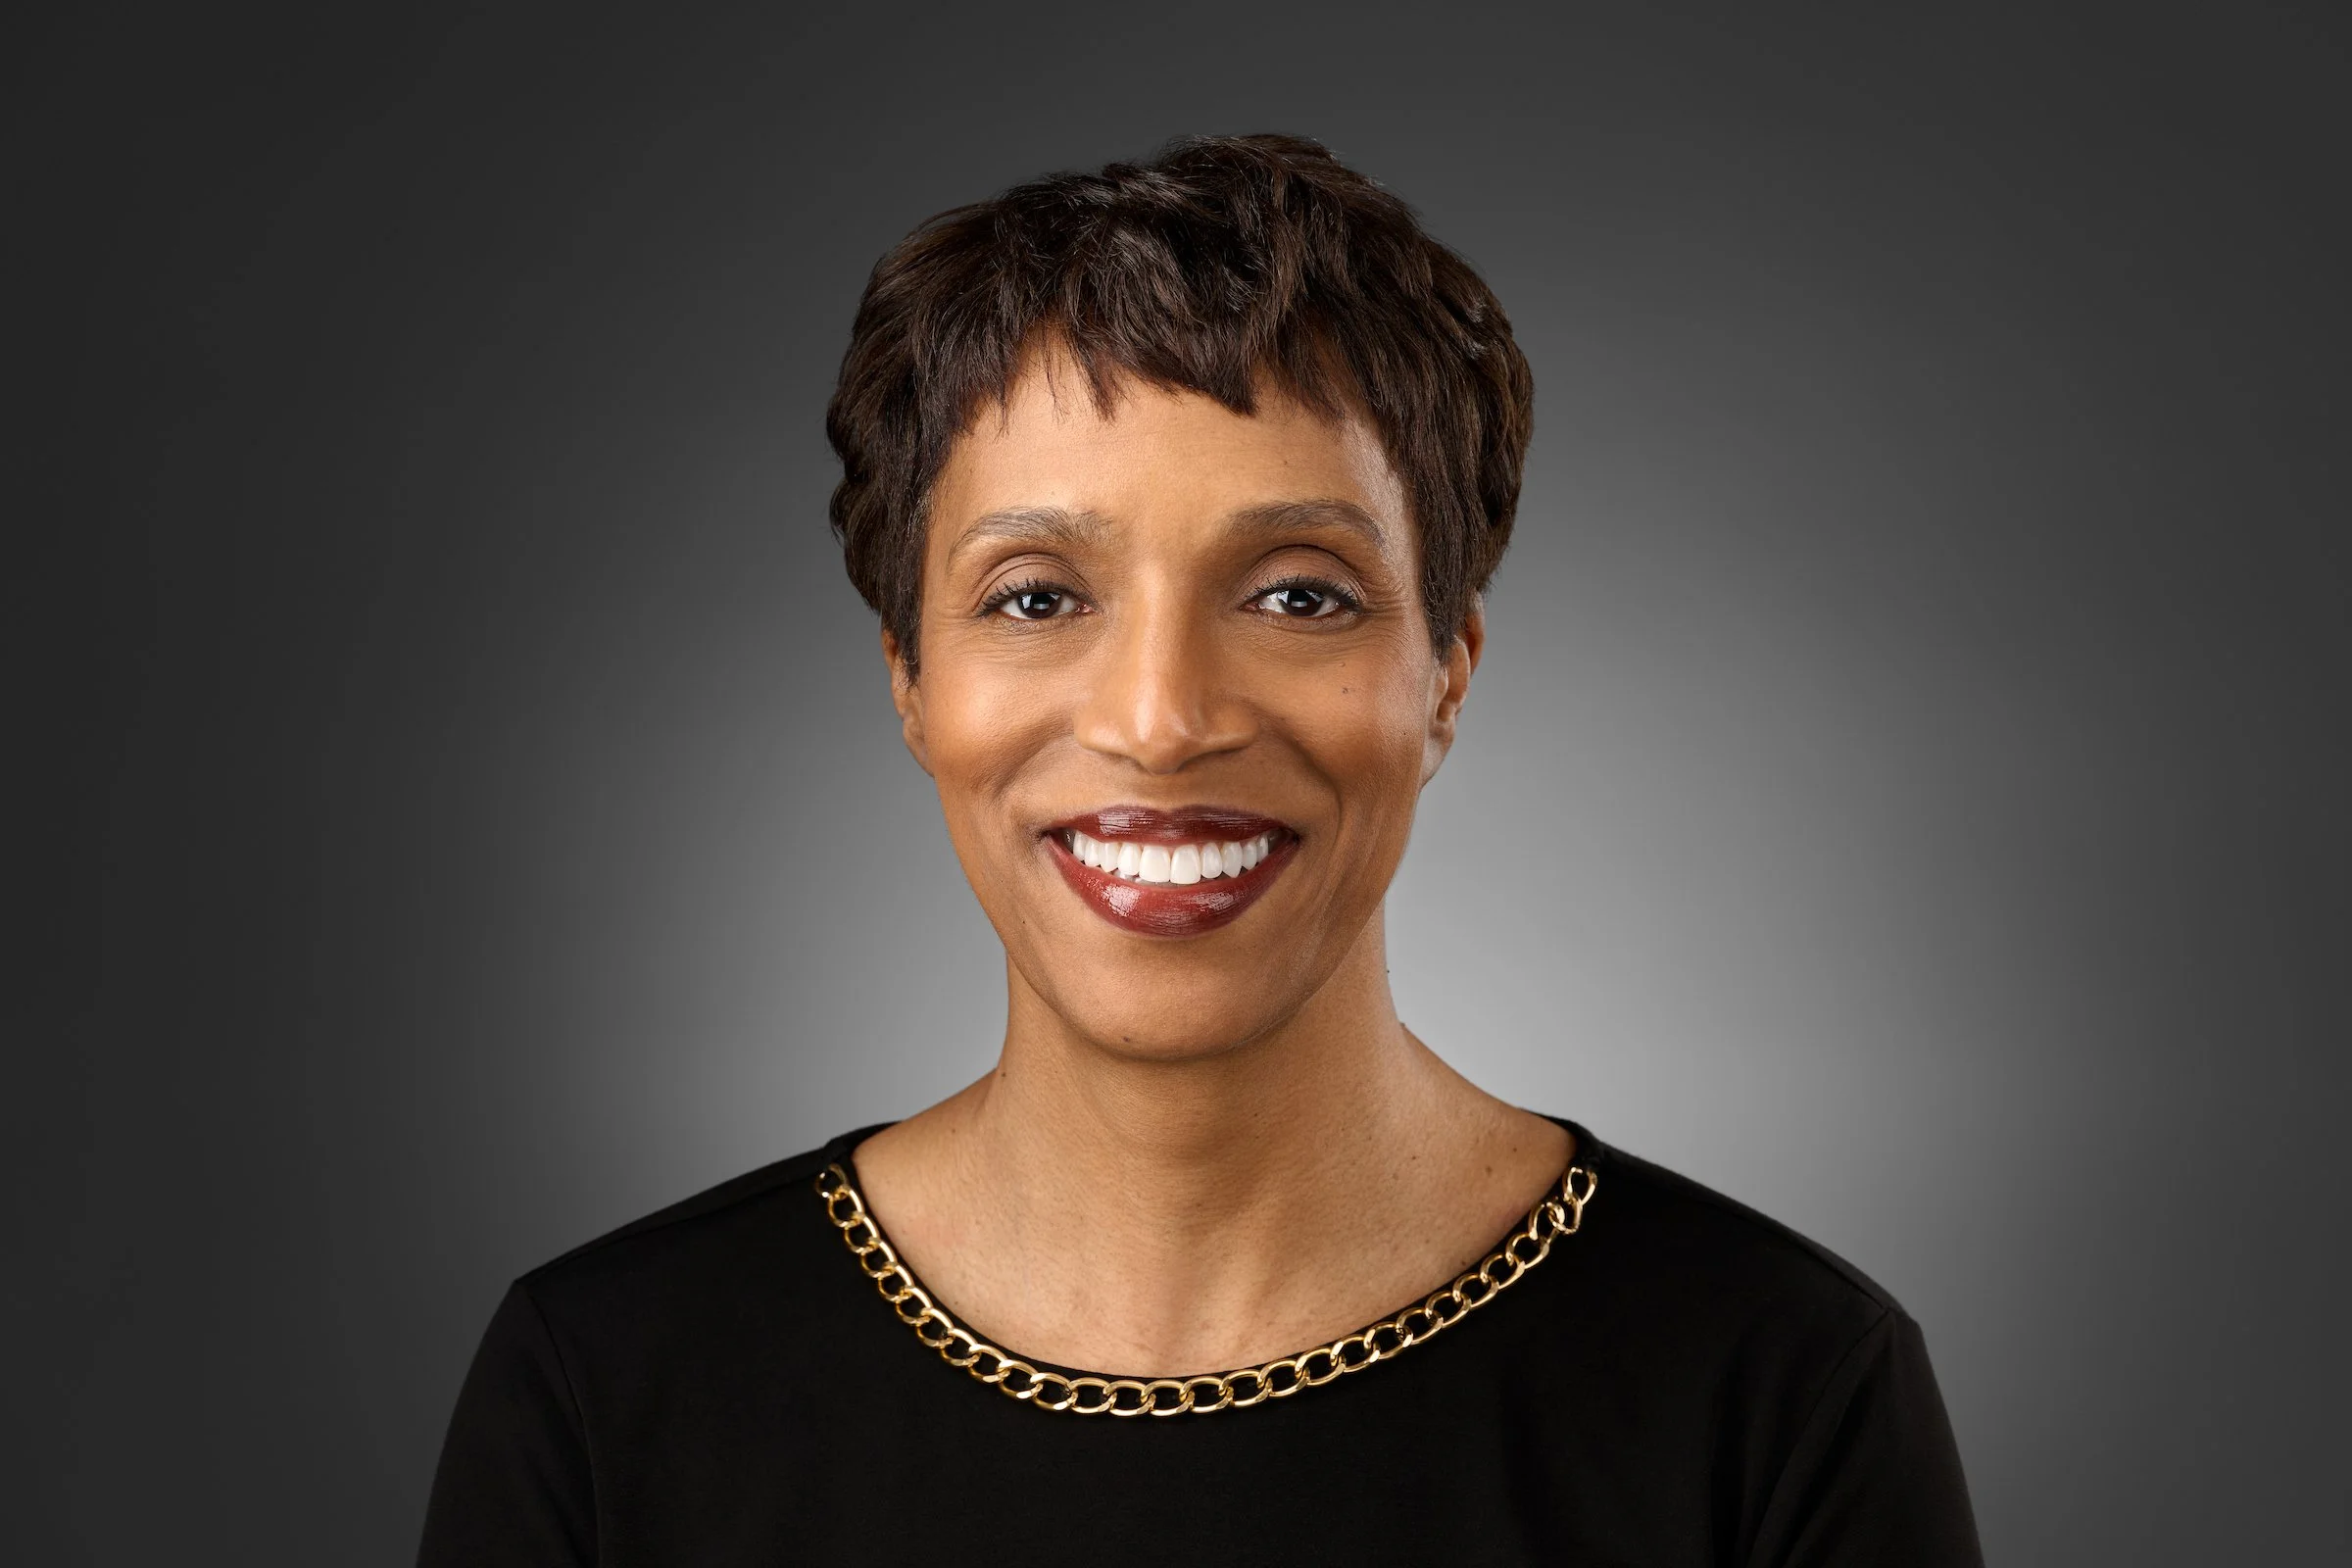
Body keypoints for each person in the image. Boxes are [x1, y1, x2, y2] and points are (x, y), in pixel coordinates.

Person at [417, 134, 1982, 1566]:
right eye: (1035, 595)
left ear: (1446, 675)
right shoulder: (607, 1393)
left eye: (1298, 592)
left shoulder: (1781, 1394)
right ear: (911, 680)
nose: (1161, 723)